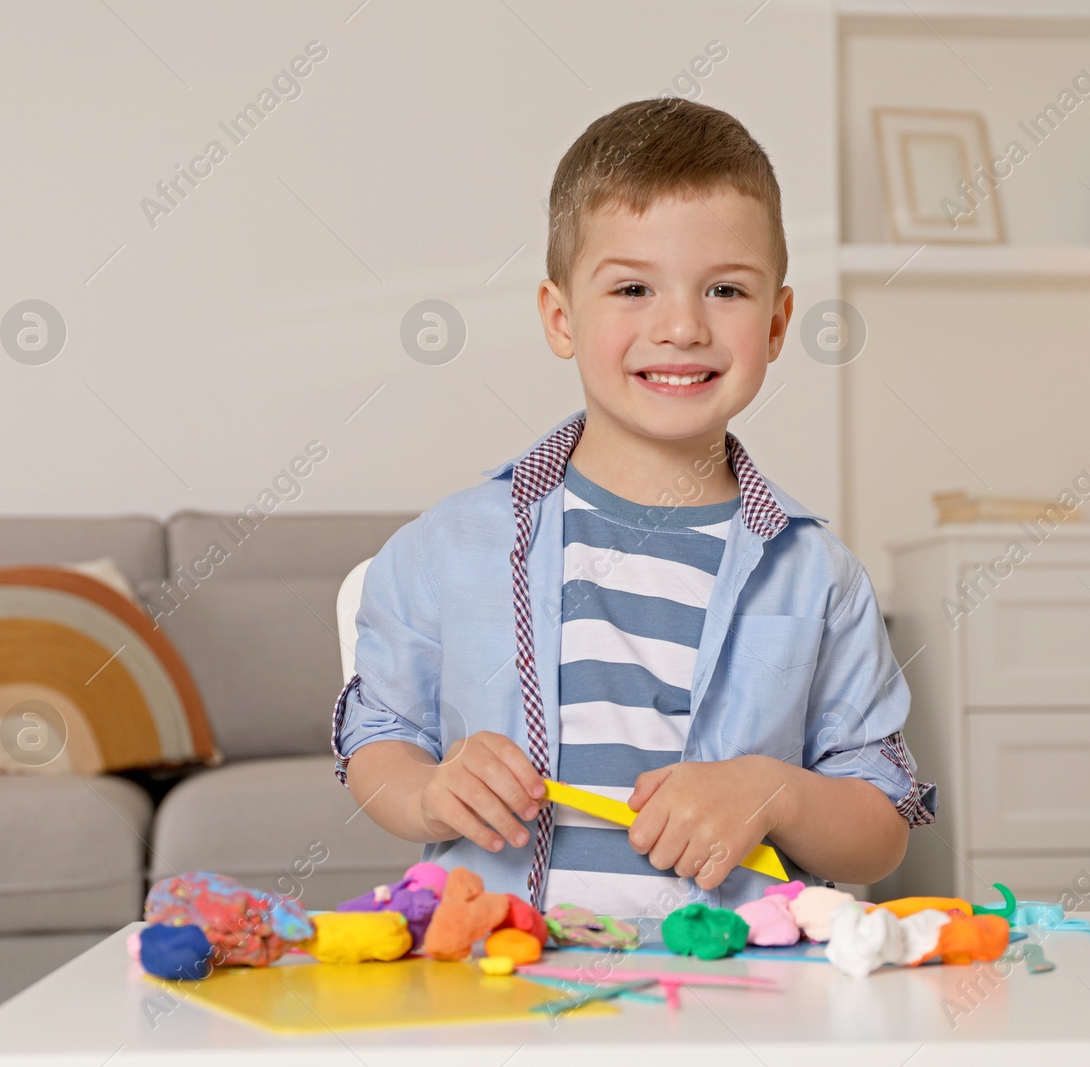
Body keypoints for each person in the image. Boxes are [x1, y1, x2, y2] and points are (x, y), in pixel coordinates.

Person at [333, 97, 934, 924]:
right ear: (560, 317)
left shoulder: (817, 578)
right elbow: (379, 741)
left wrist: (779, 794)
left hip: (739, 998)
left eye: (725, 289)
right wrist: (432, 791)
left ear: (778, 321)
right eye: (632, 288)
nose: (681, 326)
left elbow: (881, 833)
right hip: (505, 987)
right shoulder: (451, 546)